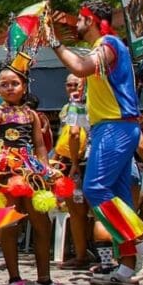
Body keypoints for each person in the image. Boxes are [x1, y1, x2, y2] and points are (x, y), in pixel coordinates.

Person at [48, 0, 143, 285]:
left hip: (115, 128)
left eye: (79, 20)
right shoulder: (103, 46)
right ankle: (126, 268)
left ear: (90, 20)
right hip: (110, 129)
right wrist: (57, 23)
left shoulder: (109, 44)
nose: (75, 25)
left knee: (95, 188)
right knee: (120, 199)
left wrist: (53, 41)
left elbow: (80, 67)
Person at [0, 59, 67, 285]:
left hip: (31, 172)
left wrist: (46, 173)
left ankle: (44, 280)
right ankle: (14, 279)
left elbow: (39, 145)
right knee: (9, 224)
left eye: (14, 83)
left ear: (24, 86)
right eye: (3, 84)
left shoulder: (32, 115)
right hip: (5, 171)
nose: (9, 88)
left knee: (42, 225)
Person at [53, 73, 91, 269]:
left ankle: (83, 255)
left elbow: (74, 134)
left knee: (79, 212)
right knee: (78, 211)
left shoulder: (82, 105)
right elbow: (65, 137)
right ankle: (83, 253)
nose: (72, 88)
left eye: (75, 84)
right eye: (68, 85)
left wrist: (74, 162)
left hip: (80, 162)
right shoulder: (67, 108)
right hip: (71, 162)